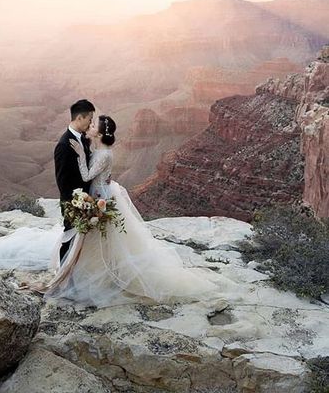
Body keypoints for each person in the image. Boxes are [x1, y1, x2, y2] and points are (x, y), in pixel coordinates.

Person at [43, 114, 236, 308]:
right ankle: (94, 273)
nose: (90, 127)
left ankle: (101, 277)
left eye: (93, 126)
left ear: (100, 133)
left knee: (103, 239)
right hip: (100, 193)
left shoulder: (104, 154)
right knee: (100, 240)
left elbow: (85, 176)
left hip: (101, 197)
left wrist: (77, 153)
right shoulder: (100, 149)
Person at [53, 99, 95, 263]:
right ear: (79, 118)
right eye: (89, 119)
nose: (91, 122)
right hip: (74, 202)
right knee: (70, 237)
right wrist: (75, 202)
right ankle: (62, 276)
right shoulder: (64, 145)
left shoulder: (83, 138)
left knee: (82, 240)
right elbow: (62, 180)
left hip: (87, 199)